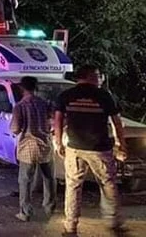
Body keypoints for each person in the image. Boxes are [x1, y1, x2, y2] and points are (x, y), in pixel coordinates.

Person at [54, 65, 127, 236]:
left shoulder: (66, 95)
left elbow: (57, 121)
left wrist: (59, 143)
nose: (100, 78)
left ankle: (70, 227)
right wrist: (121, 144)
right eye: (98, 75)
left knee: (73, 186)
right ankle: (114, 222)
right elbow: (117, 122)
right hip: (99, 149)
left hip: (74, 148)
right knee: (108, 184)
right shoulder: (103, 96)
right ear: (90, 76)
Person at [10, 76, 56, 222]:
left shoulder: (20, 106)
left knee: (25, 180)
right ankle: (49, 207)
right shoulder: (44, 103)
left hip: (27, 147)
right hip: (45, 146)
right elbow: (54, 119)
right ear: (35, 88)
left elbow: (15, 128)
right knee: (49, 178)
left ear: (22, 89)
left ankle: (25, 212)